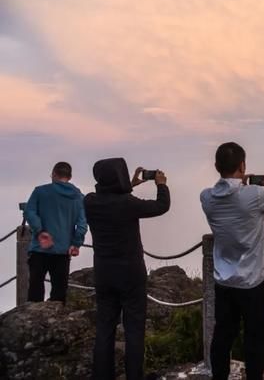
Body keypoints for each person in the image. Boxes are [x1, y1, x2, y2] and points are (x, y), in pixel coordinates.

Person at [200, 142, 264, 380]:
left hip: (223, 282)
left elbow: (228, 196)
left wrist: (242, 183)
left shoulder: (206, 198)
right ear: (242, 165)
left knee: (222, 336)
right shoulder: (256, 195)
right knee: (255, 338)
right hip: (253, 282)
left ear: (216, 166)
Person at [84, 158, 170, 380]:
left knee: (104, 328)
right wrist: (161, 184)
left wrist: (130, 185)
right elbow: (161, 207)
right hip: (130, 272)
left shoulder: (90, 202)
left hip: (103, 271)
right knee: (134, 329)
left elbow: (111, 194)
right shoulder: (128, 204)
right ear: (119, 177)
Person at [24, 161, 87, 303]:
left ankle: (33, 322)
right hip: (63, 251)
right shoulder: (78, 197)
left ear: (53, 174)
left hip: (39, 249)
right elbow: (82, 225)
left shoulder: (40, 191)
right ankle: (55, 322)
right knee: (59, 293)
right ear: (69, 177)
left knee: (35, 290)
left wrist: (40, 231)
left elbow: (29, 211)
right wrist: (76, 243)